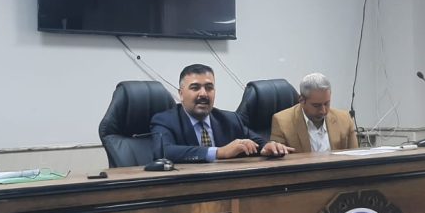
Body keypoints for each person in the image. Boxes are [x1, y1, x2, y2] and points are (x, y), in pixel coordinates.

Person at [151, 64, 294, 163]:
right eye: (195, 88)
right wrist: (219, 152)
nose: (203, 94)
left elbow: (257, 142)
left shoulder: (230, 119)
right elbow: (163, 152)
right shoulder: (165, 120)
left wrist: (267, 147)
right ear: (181, 94)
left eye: (209, 88)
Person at [270, 73, 357, 152]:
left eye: (326, 103)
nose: (323, 111)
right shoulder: (282, 121)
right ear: (301, 100)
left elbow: (355, 157)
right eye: (316, 105)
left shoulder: (345, 119)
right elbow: (278, 158)